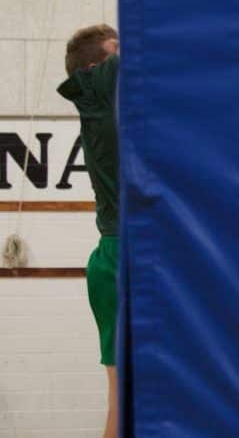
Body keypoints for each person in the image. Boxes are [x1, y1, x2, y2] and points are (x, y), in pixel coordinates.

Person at [57, 24, 120, 438]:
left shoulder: (120, 112)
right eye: (118, 51)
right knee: (125, 396)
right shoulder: (96, 90)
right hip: (122, 258)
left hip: (129, 255)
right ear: (96, 66)